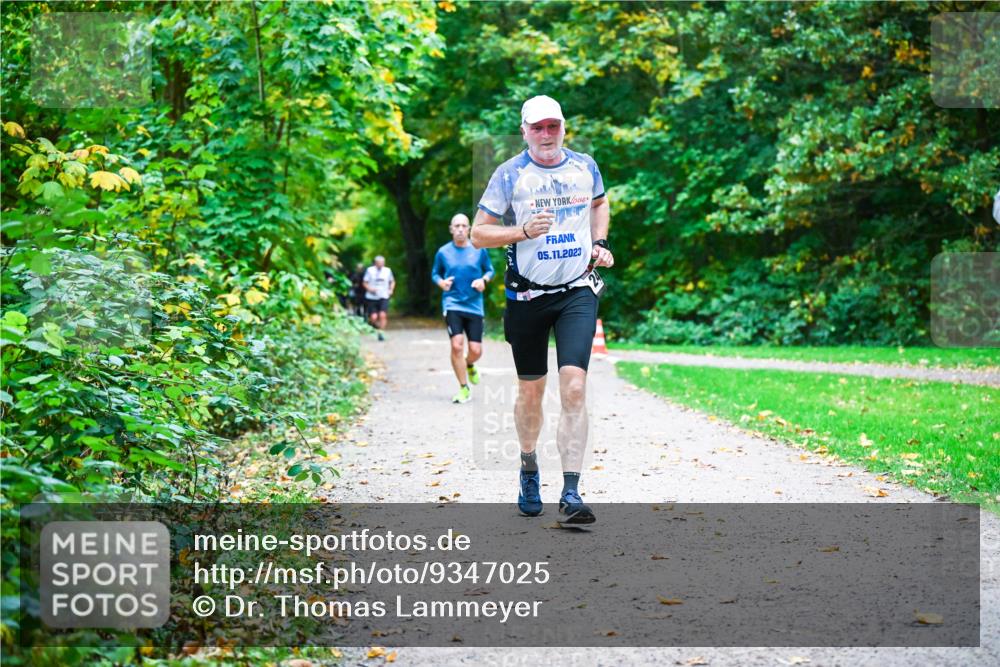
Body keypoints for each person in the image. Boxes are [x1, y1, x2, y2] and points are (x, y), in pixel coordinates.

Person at [470, 95, 613, 525]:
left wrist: (600, 244)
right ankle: (529, 466)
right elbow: (478, 234)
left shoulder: (585, 166)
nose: (546, 135)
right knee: (531, 392)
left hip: (576, 293)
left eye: (553, 126)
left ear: (564, 128)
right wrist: (521, 231)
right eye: (538, 128)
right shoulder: (509, 174)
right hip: (527, 299)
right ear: (524, 131)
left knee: (573, 388)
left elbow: (600, 203)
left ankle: (571, 492)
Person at [432, 213, 495, 404]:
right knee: (456, 345)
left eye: (464, 226)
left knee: (476, 350)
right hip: (452, 303)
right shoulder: (443, 252)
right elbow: (435, 273)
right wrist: (441, 282)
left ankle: (470, 364)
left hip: (474, 305)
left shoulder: (479, 250)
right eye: (456, 226)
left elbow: (490, 270)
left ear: (469, 229)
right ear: (451, 229)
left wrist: (483, 280)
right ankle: (463, 387)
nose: (460, 229)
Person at [362, 256, 395, 341]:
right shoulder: (370, 270)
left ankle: (381, 333)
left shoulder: (387, 271)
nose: (381, 264)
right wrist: (370, 289)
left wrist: (391, 290)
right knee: (373, 317)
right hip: (371, 297)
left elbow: (392, 281)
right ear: (375, 263)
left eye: (382, 263)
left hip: (384, 295)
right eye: (379, 263)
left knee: (382, 315)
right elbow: (364, 282)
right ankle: (376, 327)